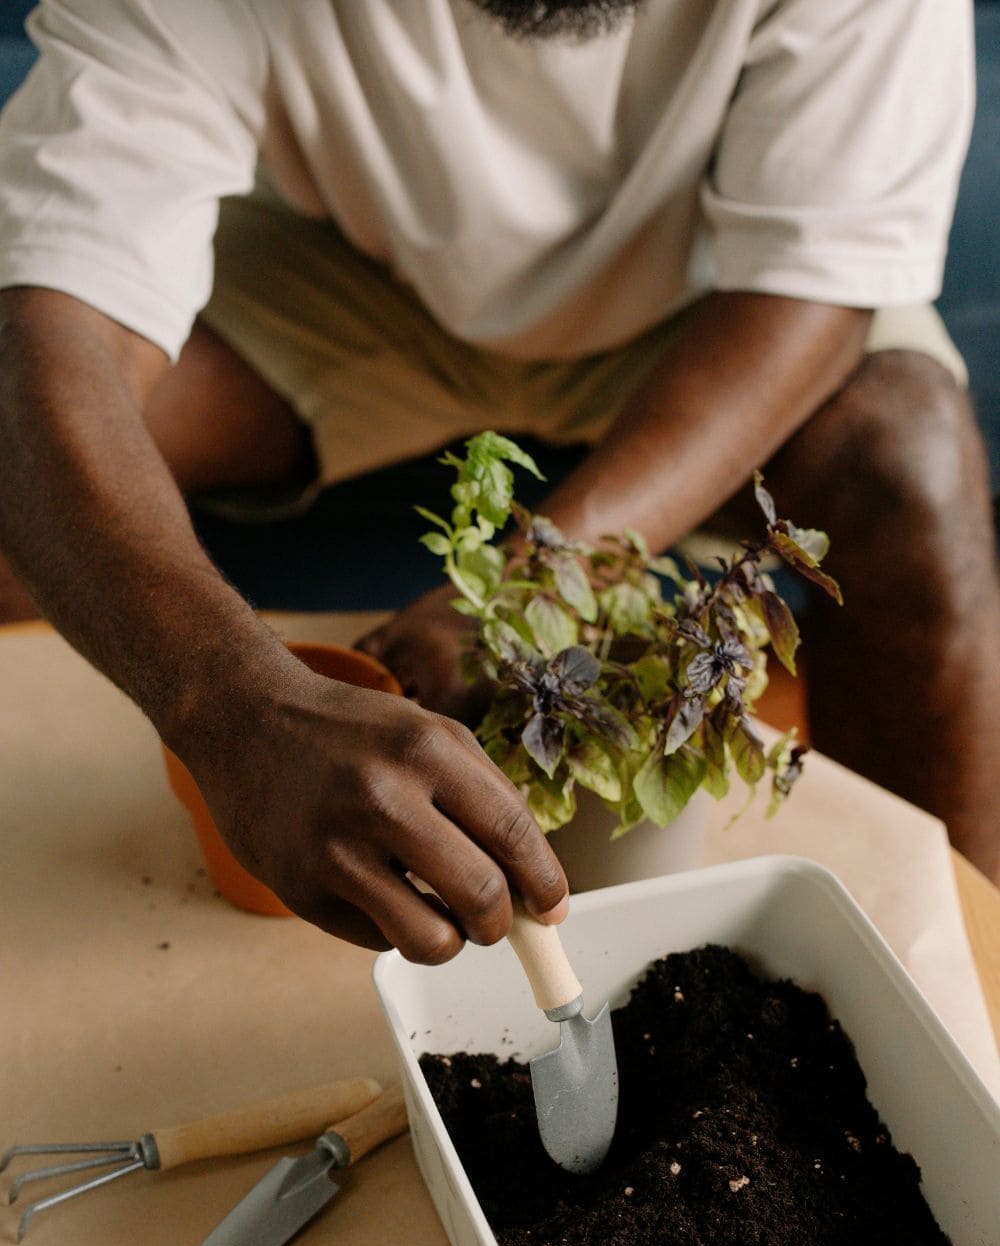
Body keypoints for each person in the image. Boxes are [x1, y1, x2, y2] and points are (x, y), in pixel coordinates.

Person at [0, 0, 997, 969]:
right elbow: (52, 333)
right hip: (351, 270)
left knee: (903, 462)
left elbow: (811, 283)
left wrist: (532, 577)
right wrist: (227, 701)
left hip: (706, 302)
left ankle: (954, 978)